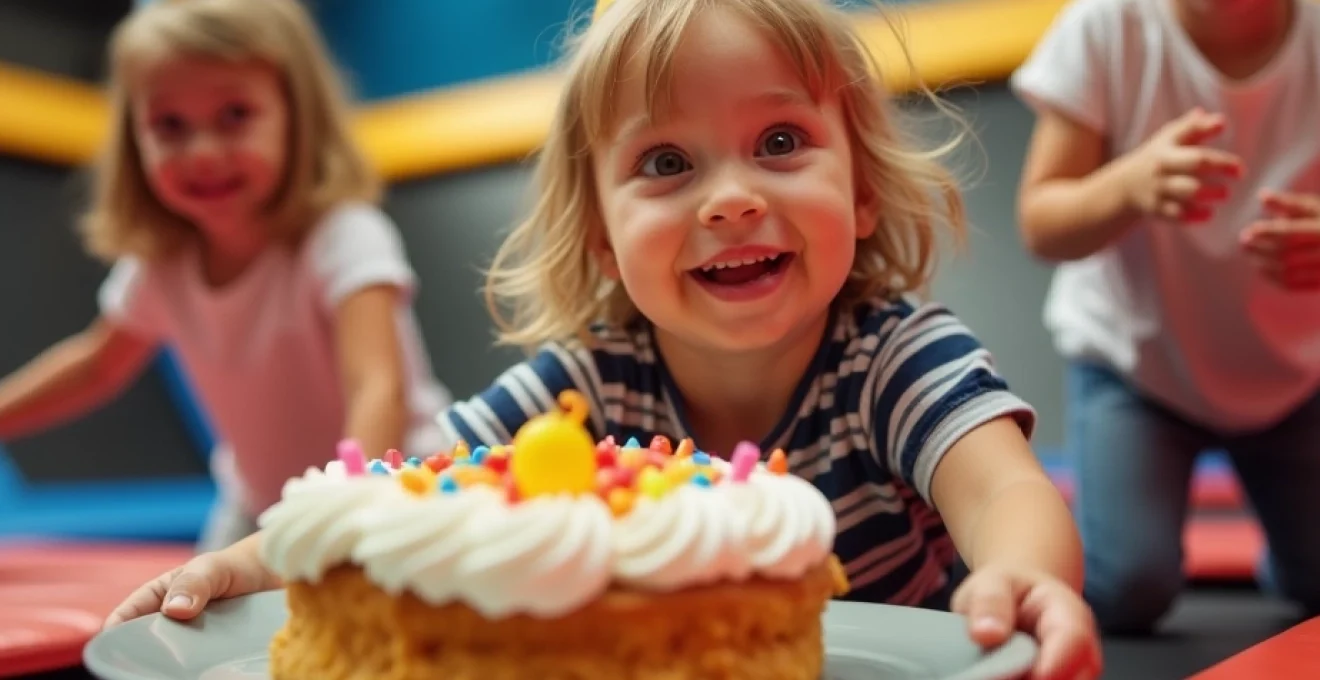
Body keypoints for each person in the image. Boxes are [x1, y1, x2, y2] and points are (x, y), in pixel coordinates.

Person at [107, 0, 1100, 676]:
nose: (732, 198)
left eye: (782, 143)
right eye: (667, 161)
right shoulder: (586, 385)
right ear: (604, 237)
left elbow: (1004, 486)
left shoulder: (892, 356)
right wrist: (237, 565)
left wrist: (1027, 576)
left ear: (865, 188)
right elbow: (393, 491)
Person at [0, 0, 451, 553]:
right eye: (170, 126)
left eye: (235, 116)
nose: (204, 152)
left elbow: (378, 386)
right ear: (134, 138)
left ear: (296, 114)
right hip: (258, 503)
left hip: (393, 487)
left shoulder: (340, 236)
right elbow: (97, 365)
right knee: (194, 612)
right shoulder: (163, 265)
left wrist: (347, 503)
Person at [1013, 0, 1320, 634]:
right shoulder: (1107, 26)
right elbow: (1041, 225)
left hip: (1295, 371)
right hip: (1138, 365)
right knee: (1128, 589)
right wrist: (1127, 185)